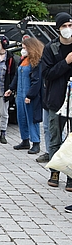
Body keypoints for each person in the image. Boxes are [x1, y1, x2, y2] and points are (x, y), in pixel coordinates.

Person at [40, 12, 72, 193]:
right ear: (58, 29)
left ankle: (71, 175)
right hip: (56, 99)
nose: (68, 29)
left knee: (71, 140)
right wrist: (66, 63)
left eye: (70, 25)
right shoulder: (51, 48)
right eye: (64, 26)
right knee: (55, 137)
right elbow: (47, 74)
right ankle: (55, 171)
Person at [5, 37, 44, 154]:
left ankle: (36, 142)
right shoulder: (23, 60)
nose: (22, 50)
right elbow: (17, 77)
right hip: (20, 95)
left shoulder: (36, 62)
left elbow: (37, 81)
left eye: (24, 48)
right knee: (21, 117)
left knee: (32, 118)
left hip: (29, 96)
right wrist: (11, 89)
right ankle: (25, 140)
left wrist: (30, 95)